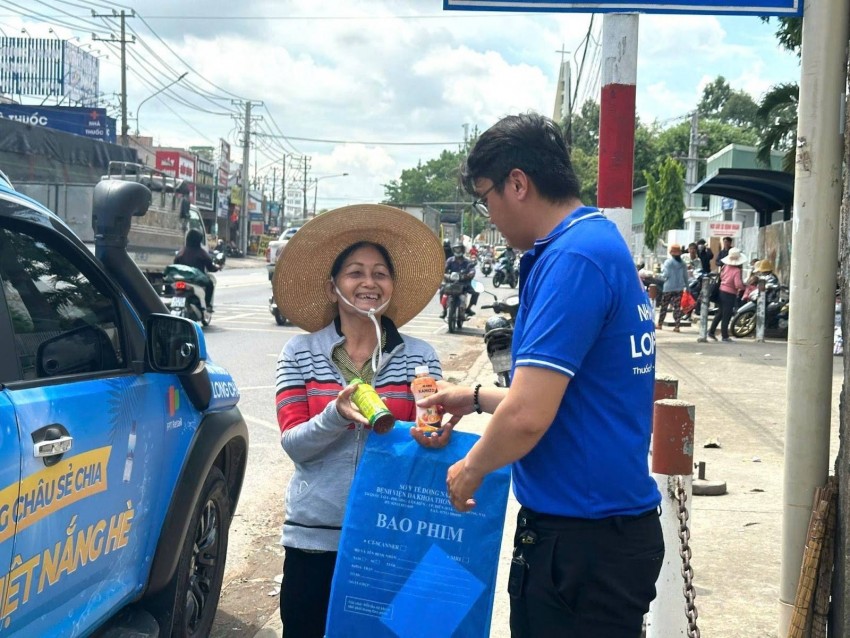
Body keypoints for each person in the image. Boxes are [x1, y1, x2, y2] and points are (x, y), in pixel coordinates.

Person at [418, 113, 663, 638]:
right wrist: (476, 396)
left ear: (518, 183)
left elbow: (529, 416)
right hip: (599, 534)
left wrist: (471, 469)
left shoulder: (573, 259)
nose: (489, 215)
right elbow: (568, 395)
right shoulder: (594, 241)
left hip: (582, 545)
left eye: (486, 198)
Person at [272, 204, 452, 638]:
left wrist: (434, 434)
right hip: (315, 539)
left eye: (380, 273)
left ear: (391, 286)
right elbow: (295, 443)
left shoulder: (420, 356)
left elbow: (427, 431)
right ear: (334, 286)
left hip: (390, 536)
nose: (368, 282)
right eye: (355, 272)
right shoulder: (300, 353)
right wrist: (335, 415)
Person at [174, 228, 219, 310]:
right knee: (210, 284)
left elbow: (175, 265)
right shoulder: (201, 253)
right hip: (196, 280)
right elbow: (210, 267)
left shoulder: (181, 252)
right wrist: (217, 268)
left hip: (181, 279)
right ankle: (207, 306)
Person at [708, 246, 747, 342]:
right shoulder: (737, 271)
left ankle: (711, 331)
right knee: (727, 315)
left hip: (721, 291)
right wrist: (744, 287)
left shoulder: (725, 267)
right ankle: (724, 336)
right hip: (729, 294)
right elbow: (738, 284)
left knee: (720, 313)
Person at [440, 239, 479, 318]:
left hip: (464, 283)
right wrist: (446, 275)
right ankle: (444, 310)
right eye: (456, 249)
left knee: (476, 292)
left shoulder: (467, 262)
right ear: (453, 250)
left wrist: (468, 275)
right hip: (451, 283)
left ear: (463, 250)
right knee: (442, 291)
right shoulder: (450, 260)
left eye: (459, 249)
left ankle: (468, 308)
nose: (458, 251)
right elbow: (443, 270)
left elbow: (472, 271)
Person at [657, 244, 689, 332]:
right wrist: (688, 287)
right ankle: (677, 326)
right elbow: (685, 276)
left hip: (668, 288)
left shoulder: (668, 262)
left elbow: (665, 275)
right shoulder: (683, 263)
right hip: (679, 288)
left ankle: (660, 324)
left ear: (671, 253)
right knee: (677, 307)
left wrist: (659, 275)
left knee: (664, 306)